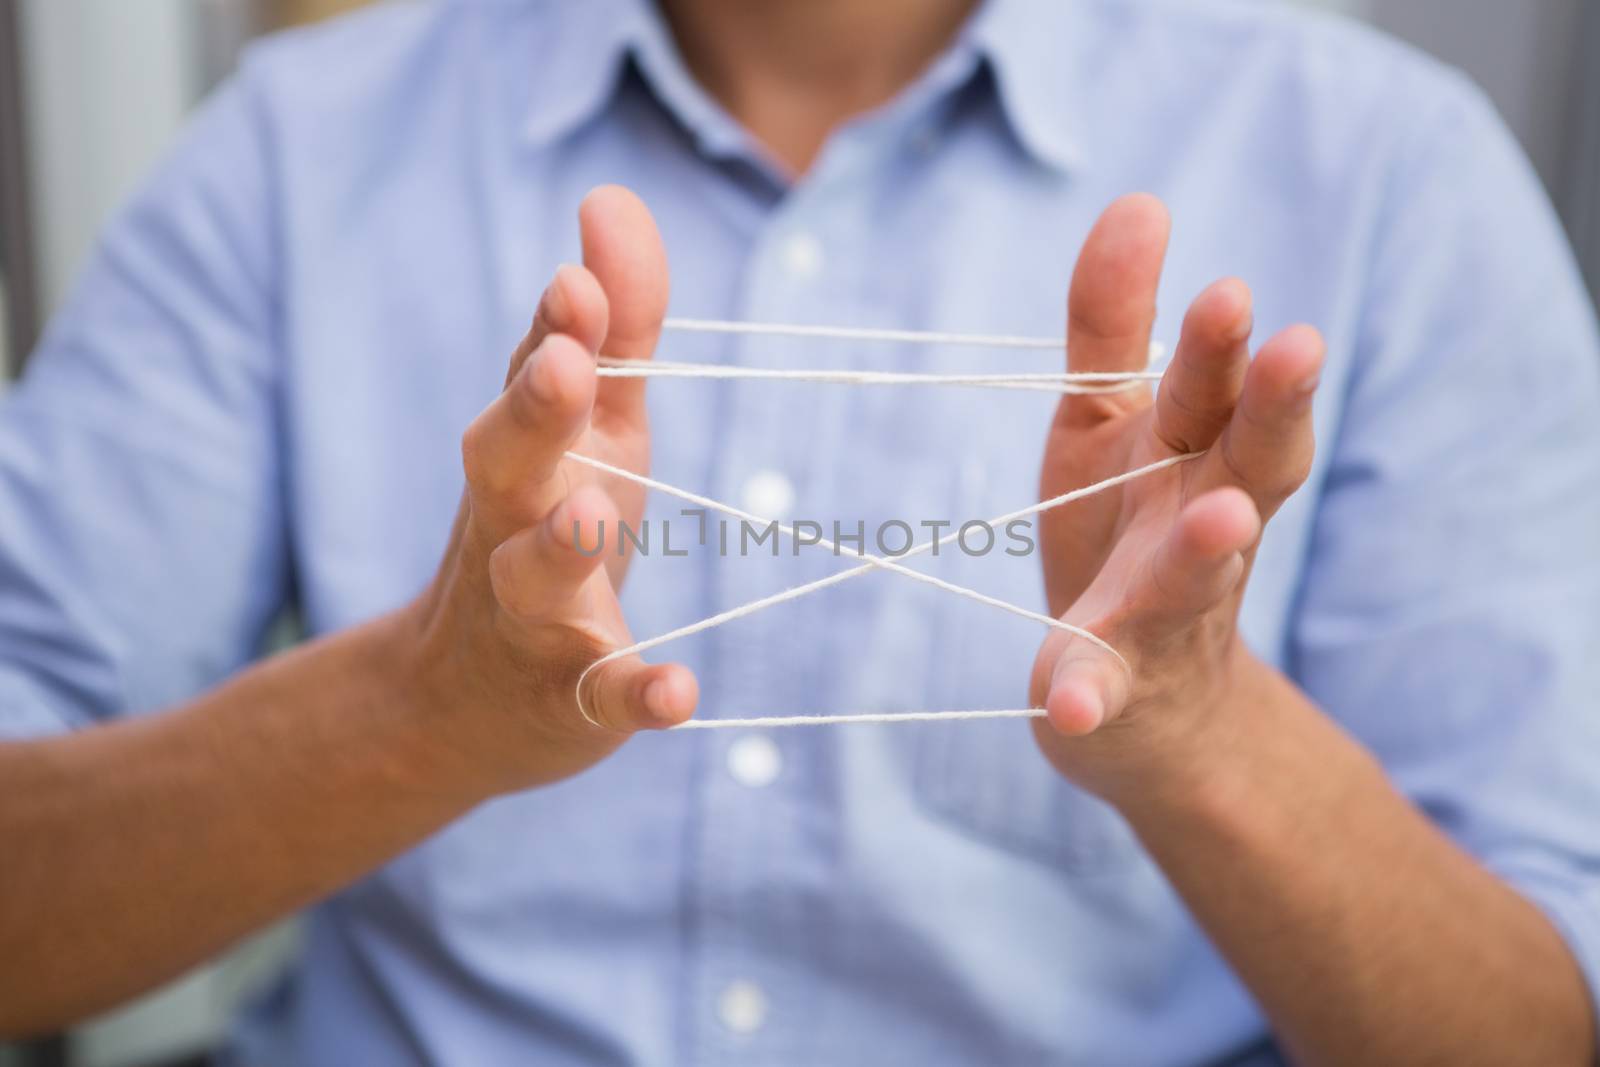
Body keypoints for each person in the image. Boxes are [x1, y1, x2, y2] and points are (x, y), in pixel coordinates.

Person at [1, 0, 1596, 1062]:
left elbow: (1536, 1026)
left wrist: (1201, 739)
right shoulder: (303, 147)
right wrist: (420, 717)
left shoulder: (1389, 168)